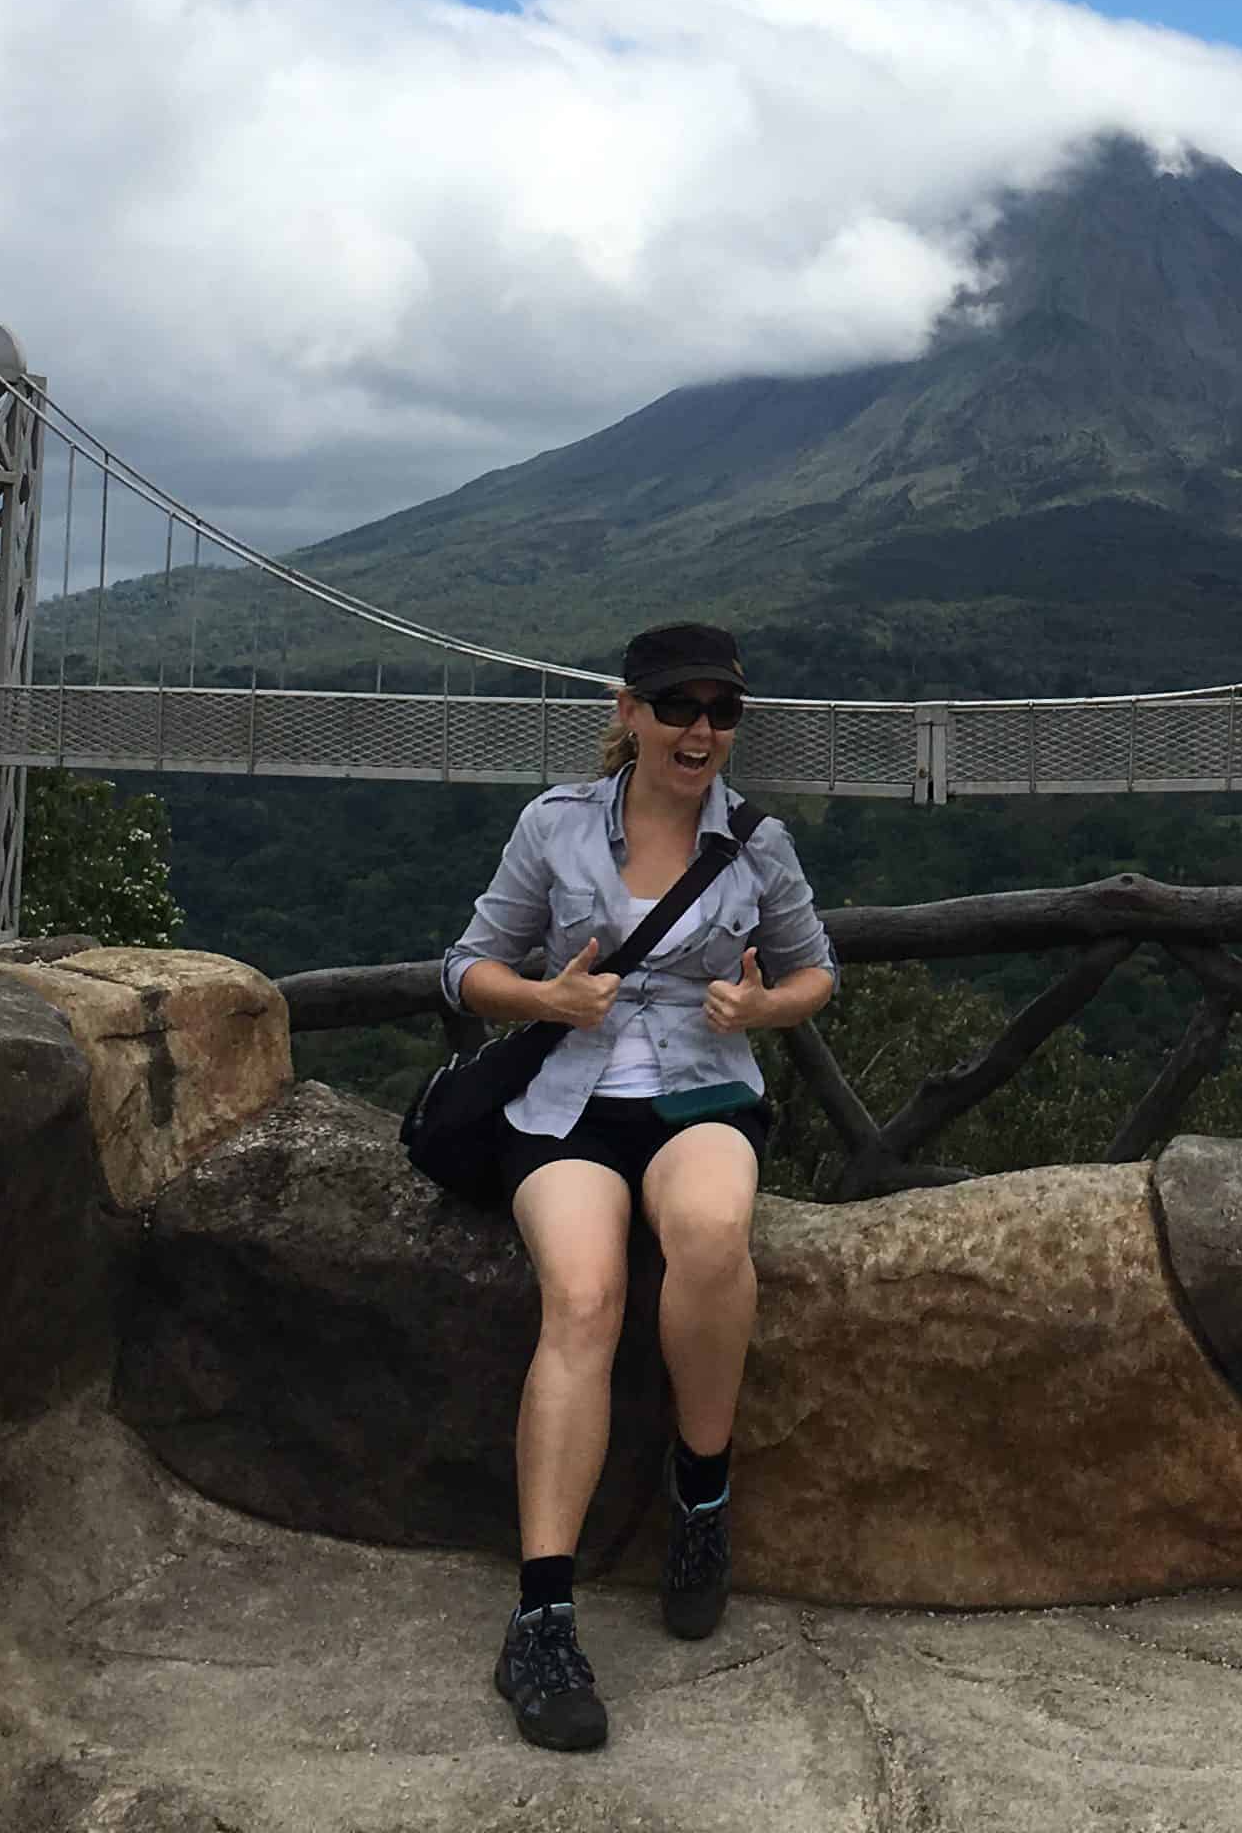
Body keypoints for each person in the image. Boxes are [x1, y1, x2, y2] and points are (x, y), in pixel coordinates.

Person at [438, 619, 839, 1754]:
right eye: (677, 707)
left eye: (722, 711)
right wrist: (545, 1002)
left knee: (711, 1232)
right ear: (629, 712)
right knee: (583, 1297)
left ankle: (700, 1500)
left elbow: (816, 971)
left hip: (700, 1091)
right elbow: (465, 966)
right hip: (563, 1099)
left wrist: (763, 1012)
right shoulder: (553, 826)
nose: (700, 729)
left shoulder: (758, 844)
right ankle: (543, 1618)